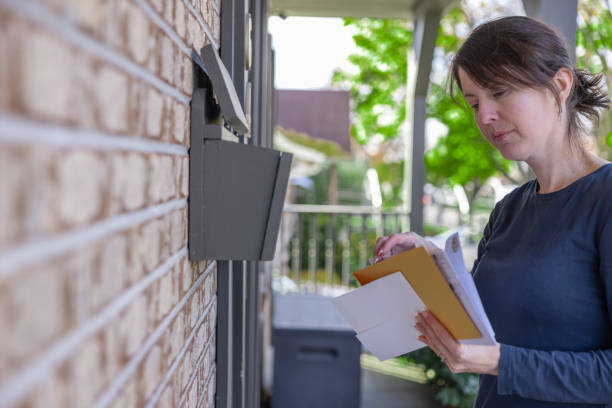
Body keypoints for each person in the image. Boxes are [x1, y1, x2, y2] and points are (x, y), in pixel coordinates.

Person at [374, 15, 612, 407]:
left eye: (500, 92)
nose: (484, 116)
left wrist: (502, 363)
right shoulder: (509, 209)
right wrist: (427, 263)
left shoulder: (605, 199)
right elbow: (489, 323)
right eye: (474, 103)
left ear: (560, 84)